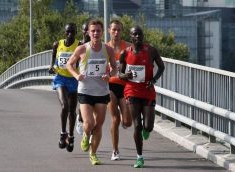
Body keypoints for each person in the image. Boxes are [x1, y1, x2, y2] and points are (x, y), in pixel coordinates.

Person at [67, 19, 117, 165]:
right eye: (93, 30)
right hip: (85, 90)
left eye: (98, 31)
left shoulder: (108, 50)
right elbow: (69, 64)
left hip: (102, 91)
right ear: (88, 32)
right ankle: (85, 134)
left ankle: (93, 154)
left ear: (102, 33)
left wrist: (109, 75)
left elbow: (114, 68)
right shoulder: (82, 49)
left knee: (99, 125)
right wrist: (77, 75)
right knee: (89, 123)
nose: (95, 33)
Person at [118, 25, 165, 168]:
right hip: (132, 90)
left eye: (140, 34)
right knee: (137, 125)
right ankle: (139, 157)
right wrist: (125, 75)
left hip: (147, 90)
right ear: (130, 37)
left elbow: (161, 67)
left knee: (148, 126)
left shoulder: (151, 50)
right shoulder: (125, 53)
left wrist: (154, 79)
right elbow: (119, 74)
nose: (137, 36)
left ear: (143, 36)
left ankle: (147, 130)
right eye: (134, 34)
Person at [48, 23, 81, 152]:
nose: (70, 34)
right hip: (61, 78)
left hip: (73, 79)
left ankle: (71, 136)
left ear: (76, 32)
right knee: (64, 106)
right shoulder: (57, 44)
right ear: (64, 32)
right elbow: (54, 58)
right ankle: (63, 133)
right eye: (68, 32)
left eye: (73, 32)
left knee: (72, 111)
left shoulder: (79, 45)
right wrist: (51, 67)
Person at [107, 19, 132, 161]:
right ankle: (115, 150)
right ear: (109, 30)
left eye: (119, 30)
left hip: (124, 86)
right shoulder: (104, 48)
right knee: (115, 118)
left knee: (127, 122)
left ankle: (125, 118)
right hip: (109, 86)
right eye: (114, 30)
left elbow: (138, 58)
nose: (116, 32)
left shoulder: (128, 47)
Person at [75, 22, 91, 135]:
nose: (86, 32)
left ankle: (90, 132)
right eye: (85, 30)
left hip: (94, 80)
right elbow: (72, 63)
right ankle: (80, 119)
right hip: (80, 79)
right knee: (82, 104)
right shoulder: (79, 45)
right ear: (82, 31)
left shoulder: (96, 44)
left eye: (88, 30)